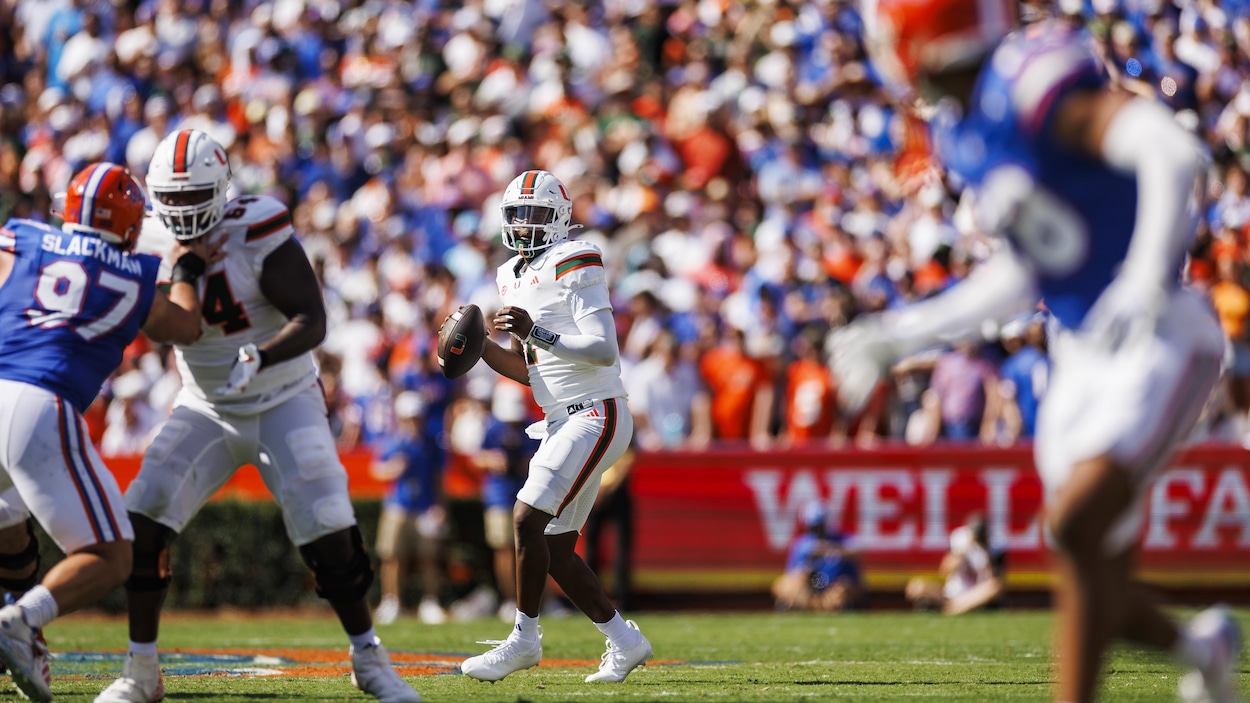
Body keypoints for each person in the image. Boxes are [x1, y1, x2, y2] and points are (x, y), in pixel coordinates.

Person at [835, 4, 1238, 702]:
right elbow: (1024, 271)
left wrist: (1146, 274)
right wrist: (904, 333)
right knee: (1092, 568)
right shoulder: (960, 129)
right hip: (1079, 353)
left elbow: (1169, 151)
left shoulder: (1027, 79)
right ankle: (1203, 648)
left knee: (1074, 525)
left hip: (1161, 336)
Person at [94, 130, 420, 703]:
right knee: (143, 519)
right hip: (204, 404)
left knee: (330, 525)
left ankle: (369, 657)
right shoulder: (144, 237)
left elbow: (312, 318)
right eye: (172, 198)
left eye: (194, 196)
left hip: (283, 396)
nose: (183, 211)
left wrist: (261, 356)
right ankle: (141, 670)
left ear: (222, 188)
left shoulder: (256, 225)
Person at [0, 161, 207, 701]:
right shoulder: (133, 274)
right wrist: (188, 266)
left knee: (6, 519)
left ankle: (22, 632)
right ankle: (21, 619)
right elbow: (186, 326)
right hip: (38, 402)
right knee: (113, 555)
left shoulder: (24, 238)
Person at [457, 169, 651, 683]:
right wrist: (478, 349)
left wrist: (536, 331)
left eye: (535, 214)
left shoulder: (575, 257)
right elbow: (531, 371)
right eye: (516, 215)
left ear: (560, 217)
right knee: (557, 549)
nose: (524, 224)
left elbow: (604, 348)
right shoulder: (509, 274)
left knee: (525, 518)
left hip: (597, 410)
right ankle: (625, 641)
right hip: (560, 417)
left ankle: (523, 640)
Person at [370, 391, 447, 627]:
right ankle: (391, 601)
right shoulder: (393, 441)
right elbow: (377, 469)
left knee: (428, 557)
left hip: (425, 507)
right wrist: (391, 469)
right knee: (392, 556)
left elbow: (438, 478)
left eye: (417, 417)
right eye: (409, 418)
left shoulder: (431, 443)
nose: (414, 422)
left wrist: (440, 506)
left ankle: (429, 602)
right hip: (398, 505)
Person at [473, 379, 537, 622]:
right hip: (499, 494)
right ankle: (511, 599)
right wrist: (490, 460)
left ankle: (537, 601)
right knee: (504, 549)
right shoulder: (491, 427)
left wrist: (528, 461)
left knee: (532, 548)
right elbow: (477, 456)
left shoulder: (531, 425)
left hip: (527, 492)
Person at [904, 514, 1005, 616]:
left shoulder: (995, 546)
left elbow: (993, 580)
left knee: (994, 587)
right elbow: (945, 571)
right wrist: (966, 546)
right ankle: (954, 608)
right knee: (916, 586)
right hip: (951, 595)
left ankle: (951, 609)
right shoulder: (959, 540)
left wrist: (985, 550)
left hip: (976, 595)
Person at [771, 503, 862, 613]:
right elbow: (792, 574)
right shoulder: (802, 544)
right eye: (814, 527)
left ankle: (829, 606)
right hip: (811, 589)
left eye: (820, 526)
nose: (817, 530)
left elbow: (856, 550)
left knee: (843, 587)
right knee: (786, 585)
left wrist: (829, 549)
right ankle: (807, 605)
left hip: (833, 586)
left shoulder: (841, 539)